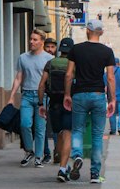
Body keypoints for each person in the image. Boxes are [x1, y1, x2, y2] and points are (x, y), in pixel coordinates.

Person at [63, 17, 116, 183]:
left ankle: (77, 155)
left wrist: (67, 94)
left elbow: (69, 74)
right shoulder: (107, 52)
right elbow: (110, 77)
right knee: (97, 135)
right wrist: (112, 99)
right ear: (101, 32)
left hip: (79, 94)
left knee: (77, 129)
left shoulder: (76, 50)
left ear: (87, 31)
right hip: (98, 94)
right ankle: (94, 174)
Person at [10, 28, 51, 168]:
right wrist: (11, 96)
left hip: (43, 97)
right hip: (26, 95)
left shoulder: (49, 59)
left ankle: (39, 157)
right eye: (31, 39)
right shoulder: (23, 57)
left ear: (42, 42)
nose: (31, 41)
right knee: (24, 124)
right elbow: (18, 78)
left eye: (35, 39)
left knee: (40, 128)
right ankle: (29, 151)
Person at [41, 38, 75, 180]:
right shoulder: (73, 64)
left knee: (59, 134)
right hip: (69, 103)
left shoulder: (51, 63)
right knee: (67, 134)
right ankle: (62, 168)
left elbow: (42, 84)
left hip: (53, 102)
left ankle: (62, 162)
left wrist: (40, 104)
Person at [41, 36, 58, 162]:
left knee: (56, 126)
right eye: (48, 47)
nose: (50, 49)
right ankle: (46, 153)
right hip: (42, 95)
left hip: (53, 95)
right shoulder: (40, 59)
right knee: (43, 126)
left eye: (52, 47)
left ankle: (57, 151)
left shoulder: (56, 61)